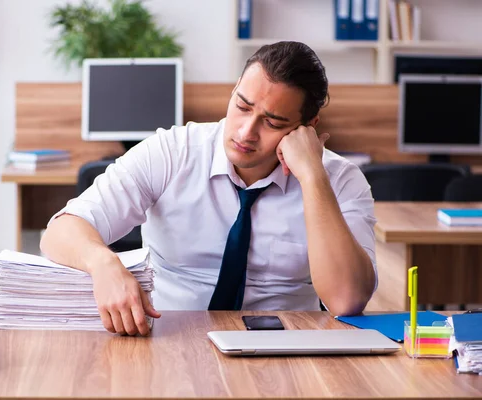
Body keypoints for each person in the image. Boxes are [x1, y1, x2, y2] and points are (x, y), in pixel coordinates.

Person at [40, 41, 377, 336]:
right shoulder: (173, 151)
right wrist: (104, 263)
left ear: (307, 127)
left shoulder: (340, 179)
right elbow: (60, 231)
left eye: (273, 122)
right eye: (242, 107)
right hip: (170, 334)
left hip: (286, 342)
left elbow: (346, 300)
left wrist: (313, 177)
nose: (246, 132)